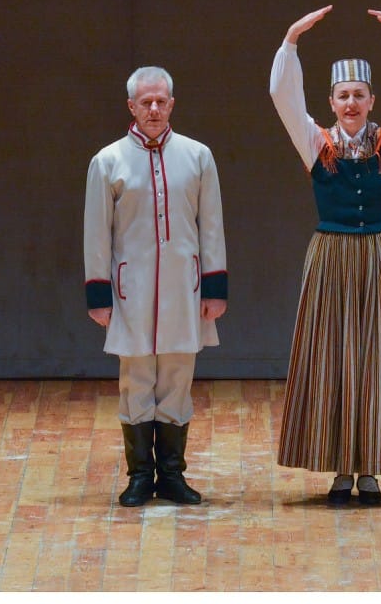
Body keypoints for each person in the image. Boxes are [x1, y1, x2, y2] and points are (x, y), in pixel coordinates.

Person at [270, 6, 381, 505]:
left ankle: (372, 468)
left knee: (377, 357)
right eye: (343, 96)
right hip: (331, 258)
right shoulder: (315, 143)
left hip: (380, 257)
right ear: (331, 101)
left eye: (359, 95)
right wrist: (291, 40)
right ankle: (342, 468)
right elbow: (283, 97)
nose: (351, 104)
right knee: (332, 357)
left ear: (371, 100)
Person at [84, 66, 228, 507]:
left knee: (178, 377)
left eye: (160, 101)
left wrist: (215, 287)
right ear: (131, 106)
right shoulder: (107, 161)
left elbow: (211, 225)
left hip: (184, 288)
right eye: (145, 102)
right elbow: (96, 233)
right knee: (137, 380)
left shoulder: (198, 156)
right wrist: (98, 294)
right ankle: (139, 476)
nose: (153, 109)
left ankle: (172, 474)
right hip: (132, 289)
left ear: (172, 104)